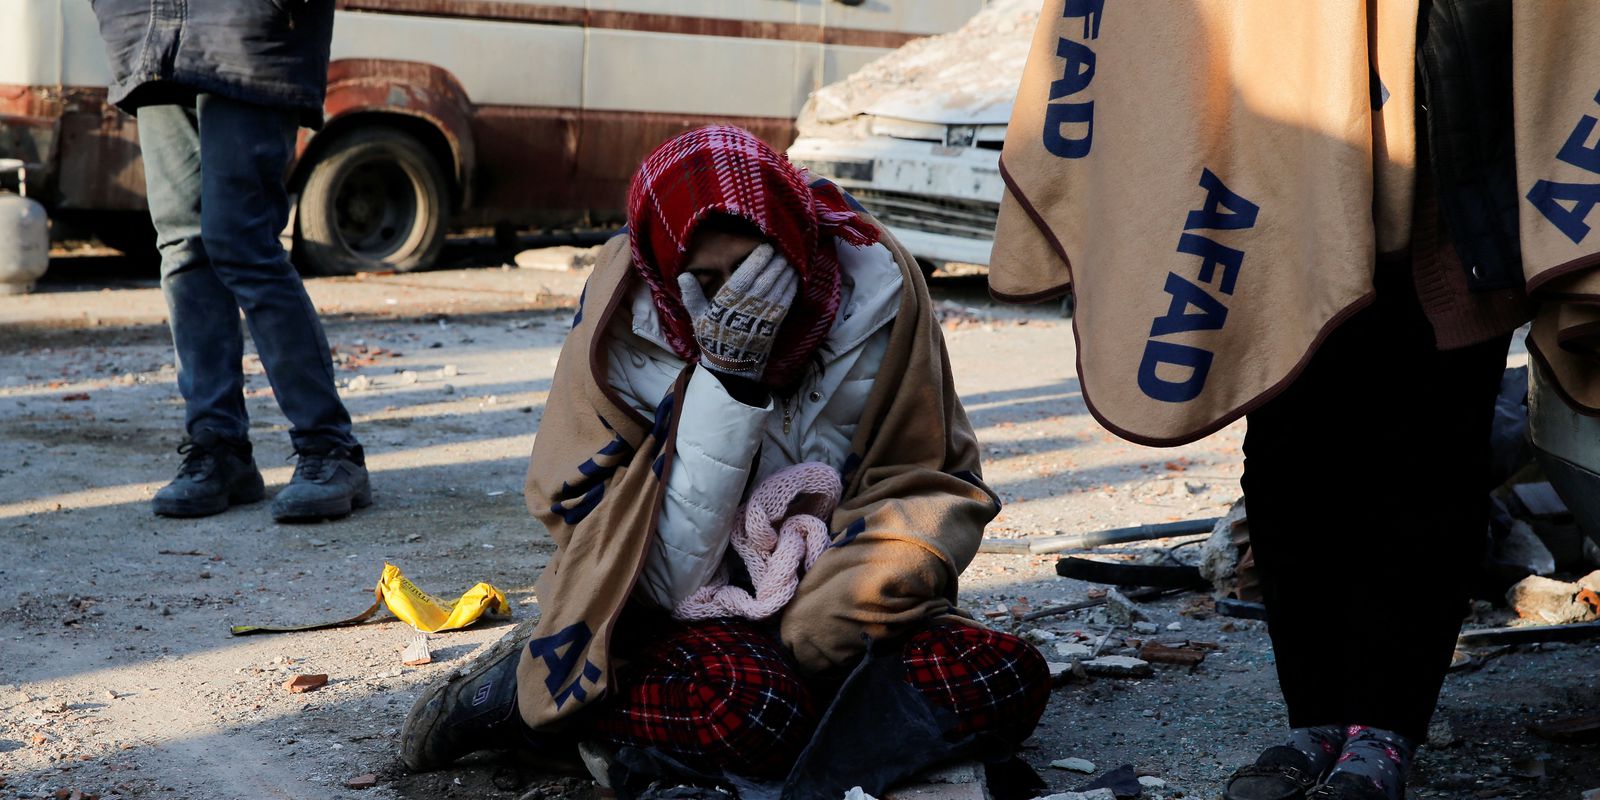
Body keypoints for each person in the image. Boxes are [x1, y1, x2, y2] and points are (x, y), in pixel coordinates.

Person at [983, 1, 1599, 797]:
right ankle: (1312, 720)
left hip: (1455, 189)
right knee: (1287, 461)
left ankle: (1385, 730)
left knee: (1432, 464)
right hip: (1283, 186)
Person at [399, 126, 1050, 792]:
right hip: (687, 612)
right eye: (707, 280)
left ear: (797, 243)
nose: (744, 301)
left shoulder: (877, 286)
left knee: (1006, 672)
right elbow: (653, 577)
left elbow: (929, 479)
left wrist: (851, 594)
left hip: (841, 603)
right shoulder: (623, 325)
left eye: (759, 269)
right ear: (665, 273)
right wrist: (727, 380)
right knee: (756, 710)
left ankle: (780, 762)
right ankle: (530, 701)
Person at [90, 1, 371, 522]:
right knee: (182, 245)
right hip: (148, 30)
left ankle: (330, 449)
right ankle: (219, 448)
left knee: (242, 244)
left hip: (245, 27)